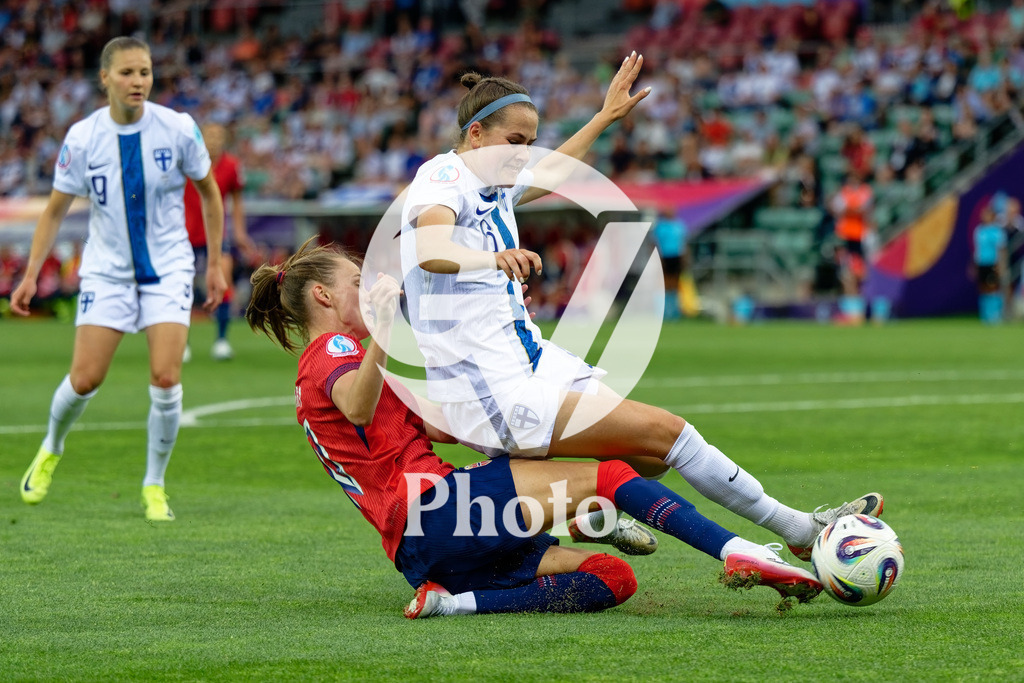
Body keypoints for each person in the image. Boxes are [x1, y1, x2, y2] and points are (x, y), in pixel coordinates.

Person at [399, 53, 883, 563]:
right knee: (668, 432)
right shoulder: (444, 176)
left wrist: (605, 117)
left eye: (530, 142)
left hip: (531, 362)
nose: (525, 154)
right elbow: (433, 249)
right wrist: (492, 258)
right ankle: (800, 529)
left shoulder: (491, 183)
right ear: (475, 135)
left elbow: (553, 172)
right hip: (492, 384)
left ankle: (584, 512)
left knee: (648, 460)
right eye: (515, 142)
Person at [245, 238, 824, 618]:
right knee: (612, 474)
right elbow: (355, 406)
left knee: (612, 577)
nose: (367, 288)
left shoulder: (348, 359)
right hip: (435, 510)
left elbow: (454, 423)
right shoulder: (334, 349)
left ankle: (457, 604)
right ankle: (737, 550)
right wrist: (382, 330)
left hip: (431, 550)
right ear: (322, 295)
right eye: (354, 282)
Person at [11, 36, 227, 521]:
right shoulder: (83, 138)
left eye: (145, 72)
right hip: (107, 272)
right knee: (85, 379)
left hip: (168, 268)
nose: (138, 82)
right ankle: (51, 446)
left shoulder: (178, 129)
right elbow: (53, 212)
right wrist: (29, 276)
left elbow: (210, 195)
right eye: (128, 73)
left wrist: (212, 263)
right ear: (105, 78)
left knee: (166, 377)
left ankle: (154, 485)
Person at [183, 122, 253, 362]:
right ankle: (182, 343)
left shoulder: (231, 166)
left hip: (216, 234)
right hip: (186, 233)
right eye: (209, 136)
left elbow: (237, 200)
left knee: (223, 282)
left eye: (218, 136)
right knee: (183, 287)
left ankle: (221, 340)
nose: (213, 140)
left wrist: (240, 232)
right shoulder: (188, 162)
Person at [973, 204, 1008, 324]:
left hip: (992, 263)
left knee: (993, 288)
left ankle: (995, 315)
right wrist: (975, 264)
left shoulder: (997, 231)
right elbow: (977, 249)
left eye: (987, 214)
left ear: (993, 216)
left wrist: (1000, 265)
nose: (984, 216)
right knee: (983, 288)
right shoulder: (979, 230)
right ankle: (985, 315)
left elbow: (1001, 250)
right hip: (982, 263)